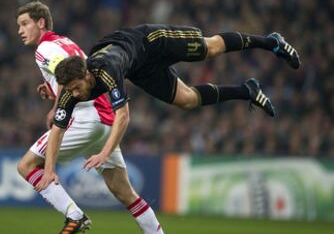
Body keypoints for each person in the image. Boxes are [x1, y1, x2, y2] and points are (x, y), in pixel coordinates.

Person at [16, 2, 173, 234]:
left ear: (41, 22)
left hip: (85, 117)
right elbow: (76, 72)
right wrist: (52, 90)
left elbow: (68, 75)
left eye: (24, 24)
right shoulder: (63, 41)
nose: (20, 30)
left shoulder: (44, 48)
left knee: (26, 165)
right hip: (105, 119)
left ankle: (73, 215)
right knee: (124, 192)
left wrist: (57, 106)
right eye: (18, 26)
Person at [45, 24, 300, 171]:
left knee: (211, 48)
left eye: (78, 88)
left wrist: (105, 153)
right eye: (71, 91)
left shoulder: (108, 71)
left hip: (153, 42)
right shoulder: (71, 89)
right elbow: (57, 129)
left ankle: (270, 42)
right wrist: (48, 171)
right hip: (139, 69)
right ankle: (248, 91)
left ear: (88, 75)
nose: (76, 95)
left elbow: (123, 116)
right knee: (187, 100)